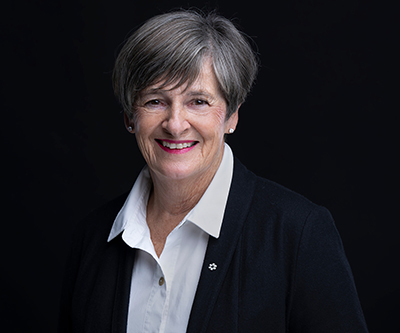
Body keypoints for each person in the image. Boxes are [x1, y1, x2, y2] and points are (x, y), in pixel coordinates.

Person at [58, 9, 368, 333]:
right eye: (155, 101)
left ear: (231, 115)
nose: (175, 124)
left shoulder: (298, 234)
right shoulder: (91, 240)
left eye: (199, 102)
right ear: (129, 117)